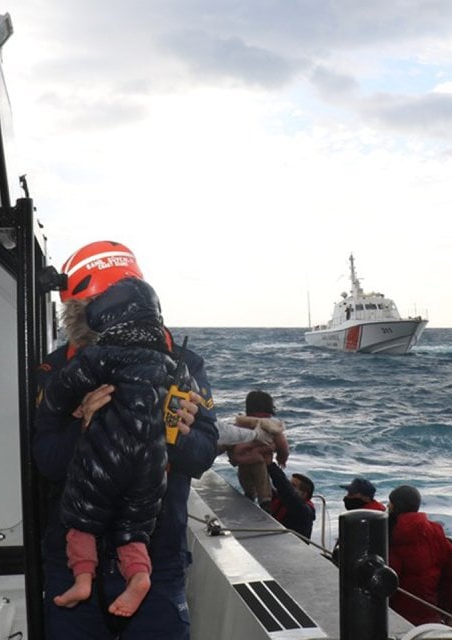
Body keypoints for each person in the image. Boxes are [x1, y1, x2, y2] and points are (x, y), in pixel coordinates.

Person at [33, 240, 220, 639]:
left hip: (154, 560)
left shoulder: (184, 366)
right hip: (71, 558)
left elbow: (203, 455)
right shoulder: (58, 370)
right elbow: (45, 460)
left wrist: (175, 432)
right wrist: (82, 426)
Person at [386, 484, 452, 625]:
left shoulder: (390, 534)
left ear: (395, 507)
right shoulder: (435, 532)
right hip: (430, 614)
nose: (387, 506)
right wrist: (442, 608)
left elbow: (388, 579)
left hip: (395, 616)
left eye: (390, 503)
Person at [226, 390, 289, 505]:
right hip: (261, 461)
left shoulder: (242, 423)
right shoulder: (271, 425)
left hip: (243, 462)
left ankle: (249, 494)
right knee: (262, 483)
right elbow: (282, 445)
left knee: (245, 479)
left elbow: (230, 440)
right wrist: (282, 458)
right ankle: (265, 502)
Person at [266, 463, 316, 539]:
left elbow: (287, 492)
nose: (289, 487)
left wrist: (271, 466)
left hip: (294, 547)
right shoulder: (281, 499)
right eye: (289, 484)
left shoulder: (304, 511)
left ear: (303, 494)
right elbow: (268, 488)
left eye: (293, 486)